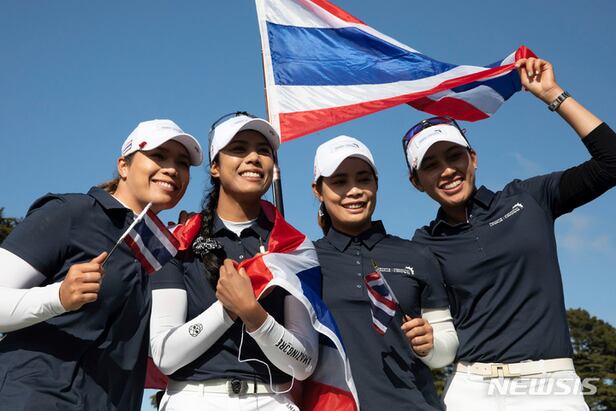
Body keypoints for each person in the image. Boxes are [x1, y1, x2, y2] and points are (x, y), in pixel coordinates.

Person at [404, 57, 616, 410]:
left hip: (551, 383)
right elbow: (441, 343)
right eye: (430, 164)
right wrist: (427, 345)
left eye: (454, 156)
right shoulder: (423, 243)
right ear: (416, 182)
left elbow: (611, 162)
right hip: (472, 388)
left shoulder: (529, 198)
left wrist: (553, 94)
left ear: (473, 158)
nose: (447, 170)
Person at [0, 119, 203, 410]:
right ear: (123, 166)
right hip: (33, 399)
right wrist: (58, 297)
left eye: (182, 163)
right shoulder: (72, 212)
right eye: (158, 155)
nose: (172, 168)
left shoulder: (161, 251)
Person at [149, 112, 318, 411]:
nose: (253, 158)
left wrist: (254, 315)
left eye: (263, 150)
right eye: (239, 149)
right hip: (191, 400)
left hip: (272, 400)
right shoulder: (177, 241)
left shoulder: (295, 246)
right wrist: (227, 310)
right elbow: (165, 355)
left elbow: (303, 363)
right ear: (215, 167)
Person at [312, 135, 458, 411]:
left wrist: (430, 345)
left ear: (376, 183)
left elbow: (445, 352)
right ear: (318, 190)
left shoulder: (417, 254)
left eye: (363, 179)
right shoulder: (305, 260)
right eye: (340, 181)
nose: (354, 190)